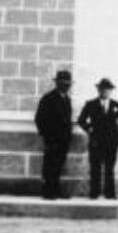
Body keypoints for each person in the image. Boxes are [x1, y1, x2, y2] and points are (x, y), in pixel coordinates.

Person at [77, 78, 118, 200]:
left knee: (110, 167)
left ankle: (110, 192)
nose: (105, 91)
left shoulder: (116, 105)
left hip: (111, 141)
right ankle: (95, 192)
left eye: (107, 89)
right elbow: (81, 120)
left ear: (111, 91)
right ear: (98, 90)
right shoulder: (91, 104)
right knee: (95, 167)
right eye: (102, 89)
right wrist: (89, 129)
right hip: (96, 141)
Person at [34, 70, 75, 200]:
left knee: (59, 165)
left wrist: (68, 135)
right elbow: (39, 119)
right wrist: (47, 136)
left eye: (68, 84)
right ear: (57, 83)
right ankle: (47, 191)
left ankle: (56, 189)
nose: (66, 86)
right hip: (52, 139)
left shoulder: (67, 100)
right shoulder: (48, 98)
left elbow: (67, 120)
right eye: (63, 83)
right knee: (49, 165)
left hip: (63, 140)